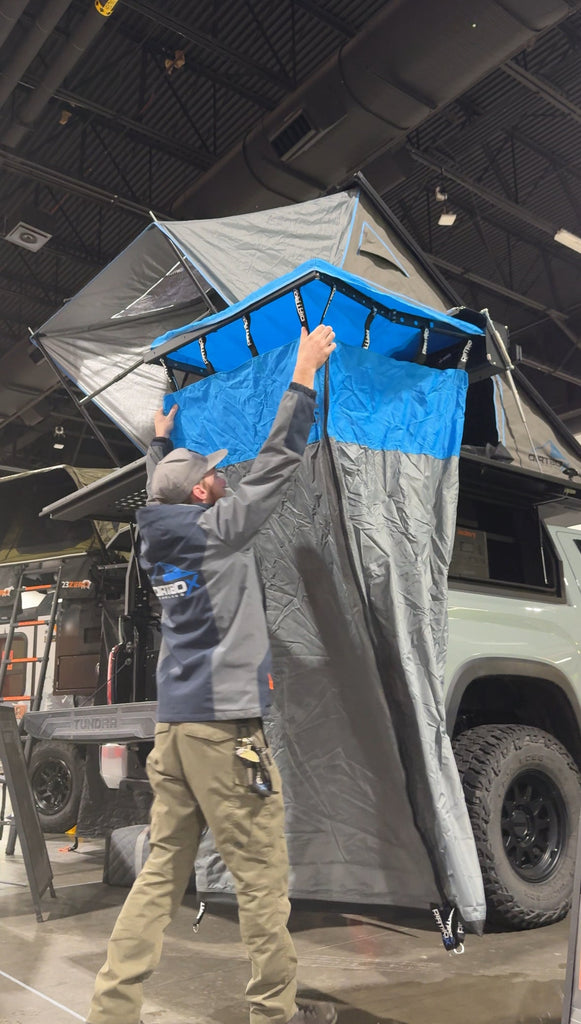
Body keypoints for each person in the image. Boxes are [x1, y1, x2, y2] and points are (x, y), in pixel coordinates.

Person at [86, 323, 337, 1024]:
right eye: (214, 474)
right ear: (202, 495)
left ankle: (111, 1010)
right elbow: (282, 459)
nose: (223, 474)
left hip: (175, 734)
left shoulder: (157, 535)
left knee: (161, 874)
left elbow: (159, 490)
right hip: (227, 735)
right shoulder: (221, 527)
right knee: (261, 879)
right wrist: (303, 372)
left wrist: (158, 445)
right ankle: (274, 1014)